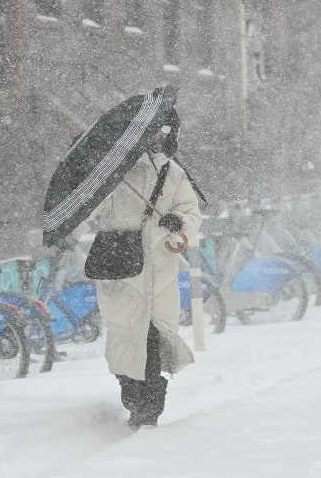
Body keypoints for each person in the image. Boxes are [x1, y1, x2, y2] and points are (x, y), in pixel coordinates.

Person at [92, 107, 201, 430]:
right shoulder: (110, 172)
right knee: (125, 337)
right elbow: (95, 211)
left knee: (152, 338)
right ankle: (132, 396)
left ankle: (149, 408)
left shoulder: (174, 173)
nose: (162, 136)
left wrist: (177, 222)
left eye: (168, 130)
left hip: (160, 273)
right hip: (121, 268)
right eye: (158, 129)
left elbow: (190, 215)